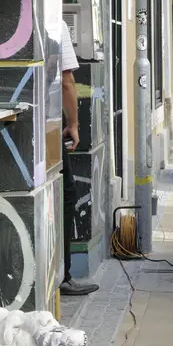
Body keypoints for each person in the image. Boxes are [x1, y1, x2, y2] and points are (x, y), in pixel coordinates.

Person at [59, 20, 99, 296]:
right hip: (47, 124)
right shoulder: (55, 23)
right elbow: (66, 81)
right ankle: (63, 275)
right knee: (66, 195)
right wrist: (73, 123)